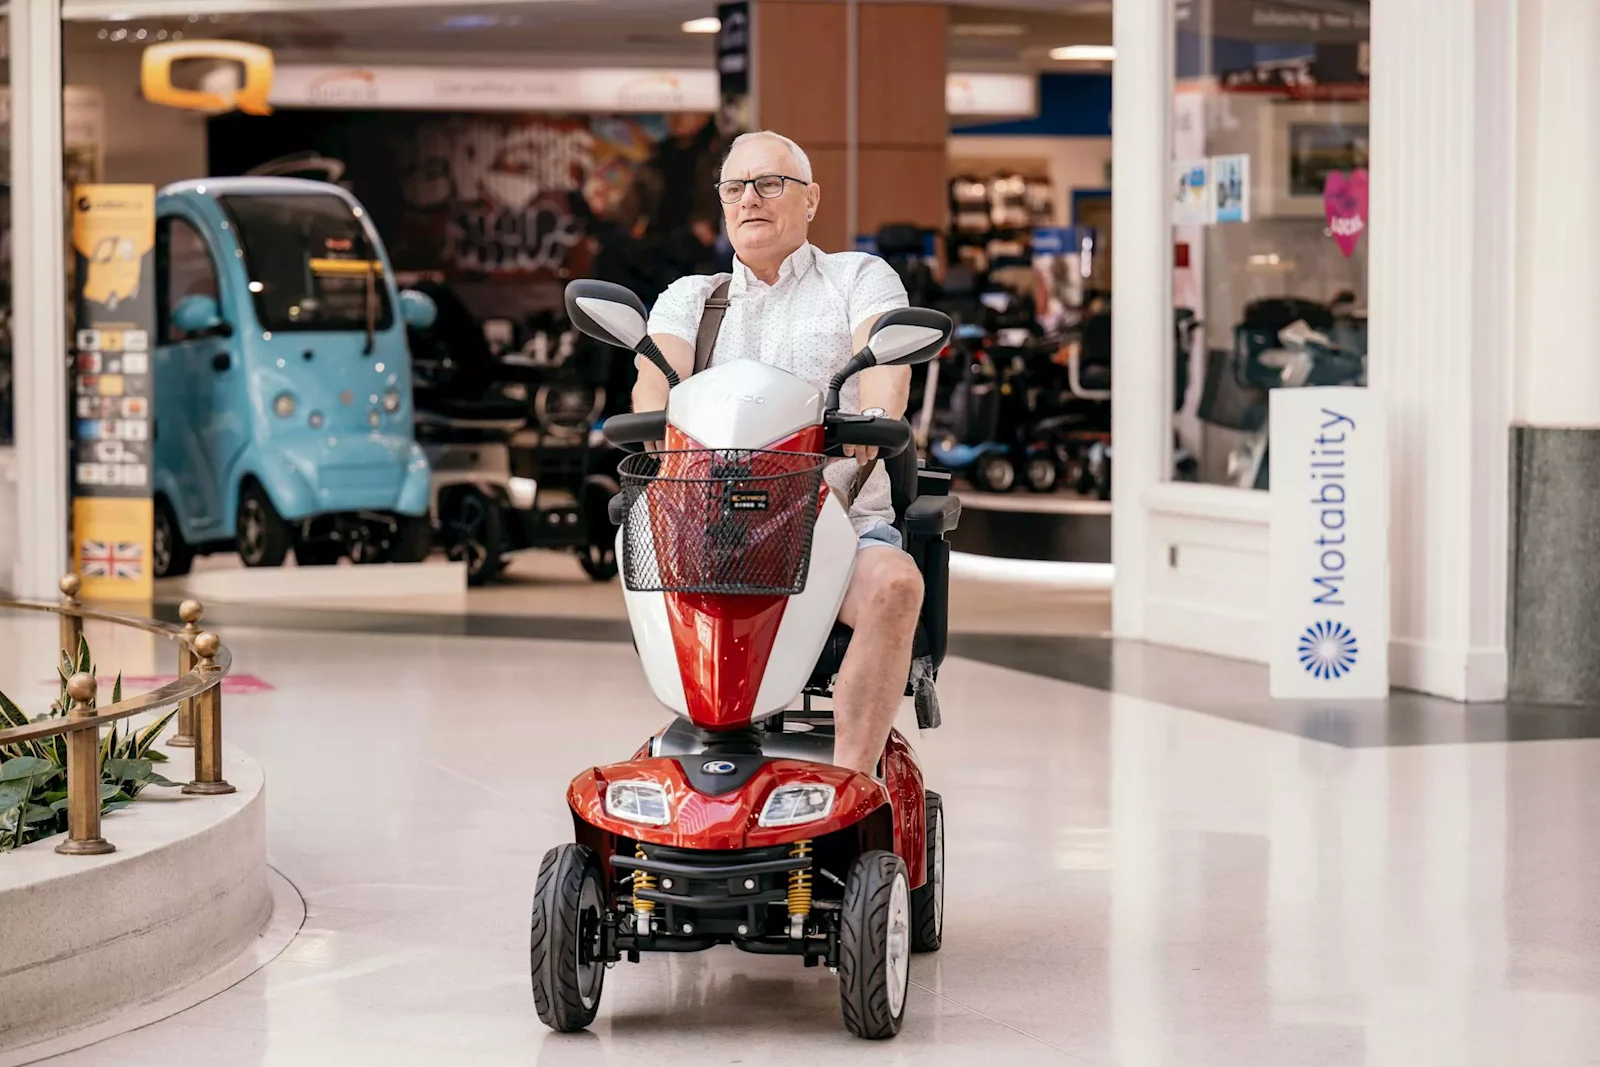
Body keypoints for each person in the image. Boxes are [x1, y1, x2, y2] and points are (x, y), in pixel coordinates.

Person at [635, 130, 922, 776]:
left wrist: (872, 416)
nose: (750, 201)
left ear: (811, 199)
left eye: (770, 184)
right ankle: (704, 760)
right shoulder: (694, 297)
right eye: (735, 188)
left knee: (897, 583)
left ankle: (851, 782)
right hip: (713, 536)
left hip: (838, 525)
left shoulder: (857, 277)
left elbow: (887, 361)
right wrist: (654, 413)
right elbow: (656, 370)